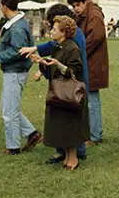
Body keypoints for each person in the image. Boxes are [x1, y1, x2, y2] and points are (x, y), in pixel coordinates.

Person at [0, 0, 41, 155]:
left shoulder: (17, 27)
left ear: (4, 6)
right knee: (8, 108)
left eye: (0, 4)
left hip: (15, 72)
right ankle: (32, 134)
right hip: (15, 71)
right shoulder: (18, 24)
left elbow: (17, 51)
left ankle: (13, 147)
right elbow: (15, 47)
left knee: (9, 112)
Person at [35, 14, 88, 171]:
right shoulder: (58, 47)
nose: (51, 31)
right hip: (59, 93)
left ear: (64, 32)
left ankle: (73, 158)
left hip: (69, 95)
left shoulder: (72, 48)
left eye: (54, 29)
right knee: (61, 125)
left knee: (69, 125)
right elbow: (54, 69)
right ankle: (66, 156)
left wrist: (58, 64)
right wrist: (42, 63)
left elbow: (75, 71)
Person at [69, 0, 108, 145]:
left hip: (93, 63)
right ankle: (90, 133)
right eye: (74, 6)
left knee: (92, 100)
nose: (76, 9)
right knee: (89, 99)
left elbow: (96, 37)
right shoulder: (85, 15)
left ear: (84, 2)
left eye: (78, 5)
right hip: (89, 61)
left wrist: (80, 52)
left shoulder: (94, 15)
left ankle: (95, 135)